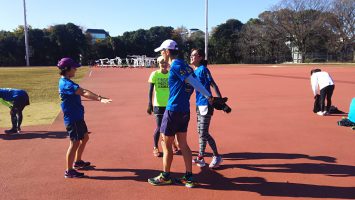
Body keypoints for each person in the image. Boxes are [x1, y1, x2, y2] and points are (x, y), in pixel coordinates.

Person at [148, 39, 213, 188]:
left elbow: (193, 82)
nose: (161, 54)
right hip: (184, 110)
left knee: (166, 144)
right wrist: (207, 94)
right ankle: (189, 177)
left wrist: (208, 96)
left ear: (167, 52)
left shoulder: (176, 65)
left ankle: (165, 176)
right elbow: (195, 81)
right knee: (183, 143)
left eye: (162, 51)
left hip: (173, 110)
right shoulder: (186, 66)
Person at [57, 57, 112, 178]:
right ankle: (69, 170)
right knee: (74, 143)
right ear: (67, 69)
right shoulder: (66, 84)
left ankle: (78, 162)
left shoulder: (67, 81)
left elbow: (82, 91)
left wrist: (99, 97)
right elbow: (84, 92)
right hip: (73, 118)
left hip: (77, 117)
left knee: (85, 138)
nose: (75, 69)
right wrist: (99, 98)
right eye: (74, 67)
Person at [190, 48, 223, 169]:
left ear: (200, 57)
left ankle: (216, 156)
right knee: (201, 132)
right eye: (191, 55)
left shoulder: (203, 69)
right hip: (199, 104)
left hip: (207, 104)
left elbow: (213, 84)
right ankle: (201, 159)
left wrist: (220, 100)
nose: (191, 57)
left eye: (194, 55)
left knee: (203, 132)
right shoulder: (194, 71)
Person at [147, 56, 180, 157]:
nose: (164, 64)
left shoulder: (171, 74)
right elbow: (151, 90)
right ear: (158, 63)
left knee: (171, 126)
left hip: (170, 104)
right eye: (161, 62)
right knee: (159, 127)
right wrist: (149, 104)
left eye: (165, 62)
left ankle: (173, 143)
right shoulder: (155, 74)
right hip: (158, 105)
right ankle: (155, 147)